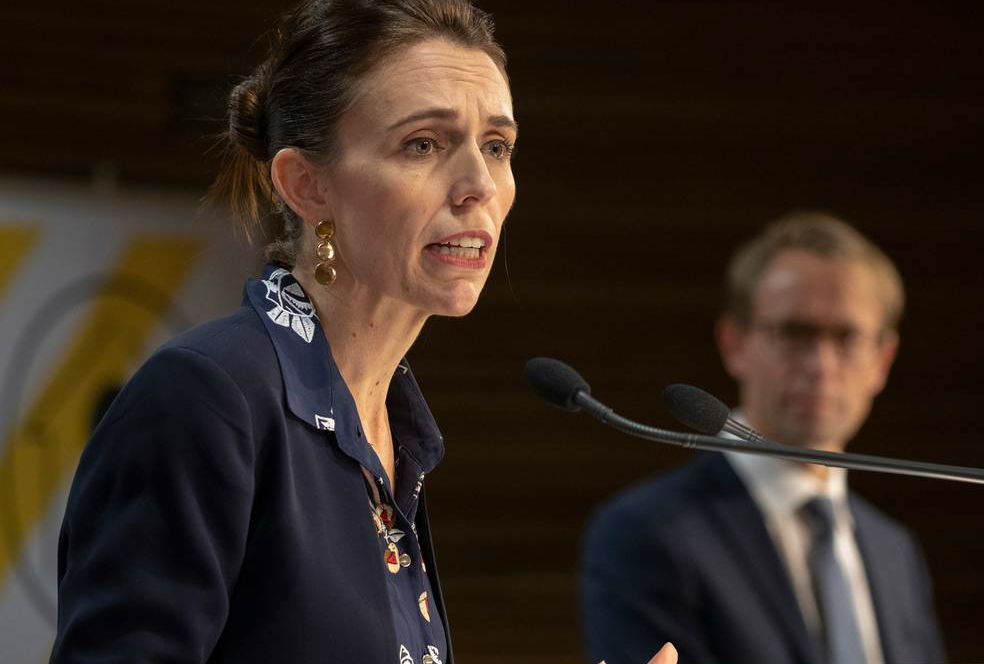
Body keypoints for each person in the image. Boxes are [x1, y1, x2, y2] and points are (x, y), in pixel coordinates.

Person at [49, 1, 677, 663]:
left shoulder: (393, 431)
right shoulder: (209, 399)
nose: (478, 186)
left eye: (496, 146)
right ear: (308, 185)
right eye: (423, 144)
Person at [581, 213, 945, 664]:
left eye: (846, 337)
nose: (820, 365)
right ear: (734, 343)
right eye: (795, 333)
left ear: (882, 361)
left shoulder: (896, 553)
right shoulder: (646, 534)